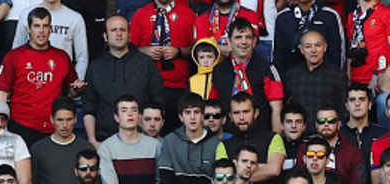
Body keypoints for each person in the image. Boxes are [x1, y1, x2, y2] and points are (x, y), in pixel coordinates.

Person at [0, 7, 85, 147]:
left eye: (45, 26)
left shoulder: (62, 57)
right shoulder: (13, 57)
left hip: (52, 129)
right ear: (29, 29)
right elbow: (1, 92)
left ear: (51, 29)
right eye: (37, 26)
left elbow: (70, 93)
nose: (41, 31)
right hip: (20, 127)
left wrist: (77, 90)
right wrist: (1, 121)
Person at [83, 16, 164, 146]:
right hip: (104, 140)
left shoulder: (146, 63)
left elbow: (158, 102)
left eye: (123, 30)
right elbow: (89, 107)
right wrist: (92, 140)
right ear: (105, 36)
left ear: (129, 34)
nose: (119, 34)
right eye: (114, 30)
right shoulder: (95, 67)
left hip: (142, 139)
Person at [215, 92, 285, 184]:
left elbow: (274, 169)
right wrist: (260, 167)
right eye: (236, 113)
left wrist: (239, 174)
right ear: (230, 116)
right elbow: (223, 177)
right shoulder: (223, 145)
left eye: (246, 112)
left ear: (256, 113)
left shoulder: (273, 138)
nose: (241, 117)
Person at [157, 92, 221, 184]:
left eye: (196, 112)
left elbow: (217, 182)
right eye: (187, 112)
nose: (192, 117)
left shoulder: (217, 144)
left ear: (203, 115)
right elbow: (166, 180)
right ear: (181, 117)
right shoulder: (169, 141)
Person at [98, 94, 161, 184]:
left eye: (134, 110)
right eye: (124, 110)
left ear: (139, 116)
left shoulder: (155, 146)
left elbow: (159, 183)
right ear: (116, 117)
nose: (130, 114)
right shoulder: (106, 148)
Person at [129, 0, 196, 134]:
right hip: (147, 86)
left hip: (178, 86)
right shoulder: (140, 14)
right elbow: (130, 49)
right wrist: (145, 51)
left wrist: (179, 51)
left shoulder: (188, 14)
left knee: (177, 133)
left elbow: (196, 49)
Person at [212, 17, 283, 133]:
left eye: (248, 37)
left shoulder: (268, 68)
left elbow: (277, 107)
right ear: (229, 41)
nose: (244, 42)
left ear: (254, 41)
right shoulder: (218, 70)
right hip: (228, 136)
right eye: (238, 37)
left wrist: (276, 140)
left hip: (261, 134)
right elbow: (214, 107)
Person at [299, 105, 367, 184]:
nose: (326, 124)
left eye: (331, 121)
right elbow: (298, 178)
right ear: (316, 125)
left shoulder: (353, 152)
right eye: (321, 121)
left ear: (339, 124)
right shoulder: (304, 149)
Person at [29, 96, 90, 184]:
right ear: (52, 119)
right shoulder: (38, 149)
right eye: (60, 120)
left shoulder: (86, 148)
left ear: (76, 119)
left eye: (69, 119)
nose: (65, 125)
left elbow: (94, 183)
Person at [282, 29, 348, 128]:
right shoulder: (291, 75)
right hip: (299, 134)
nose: (313, 50)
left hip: (328, 133)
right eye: (308, 46)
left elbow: (344, 110)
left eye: (318, 45)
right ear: (301, 50)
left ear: (325, 47)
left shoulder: (338, 75)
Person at [12, 0, 89, 78]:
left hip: (61, 80)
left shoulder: (75, 18)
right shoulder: (26, 14)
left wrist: (76, 82)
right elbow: (17, 48)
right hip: (30, 78)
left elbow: (82, 57)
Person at [272, 0, 344, 73]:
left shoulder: (330, 15)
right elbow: (278, 56)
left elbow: (337, 55)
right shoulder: (282, 17)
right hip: (291, 80)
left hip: (325, 79)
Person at [345, 0, 390, 92]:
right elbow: (351, 48)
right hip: (356, 79)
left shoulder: (386, 13)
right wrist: (348, 77)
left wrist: (378, 73)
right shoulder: (351, 17)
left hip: (377, 80)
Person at [192, 0, 259, 56]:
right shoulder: (201, 20)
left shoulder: (250, 15)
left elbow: (248, 49)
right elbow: (202, 51)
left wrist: (213, 46)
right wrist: (232, 48)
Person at [342, 84, 385, 161]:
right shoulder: (338, 134)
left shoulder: (382, 134)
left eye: (361, 99)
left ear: (369, 105)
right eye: (352, 100)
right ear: (347, 106)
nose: (357, 104)